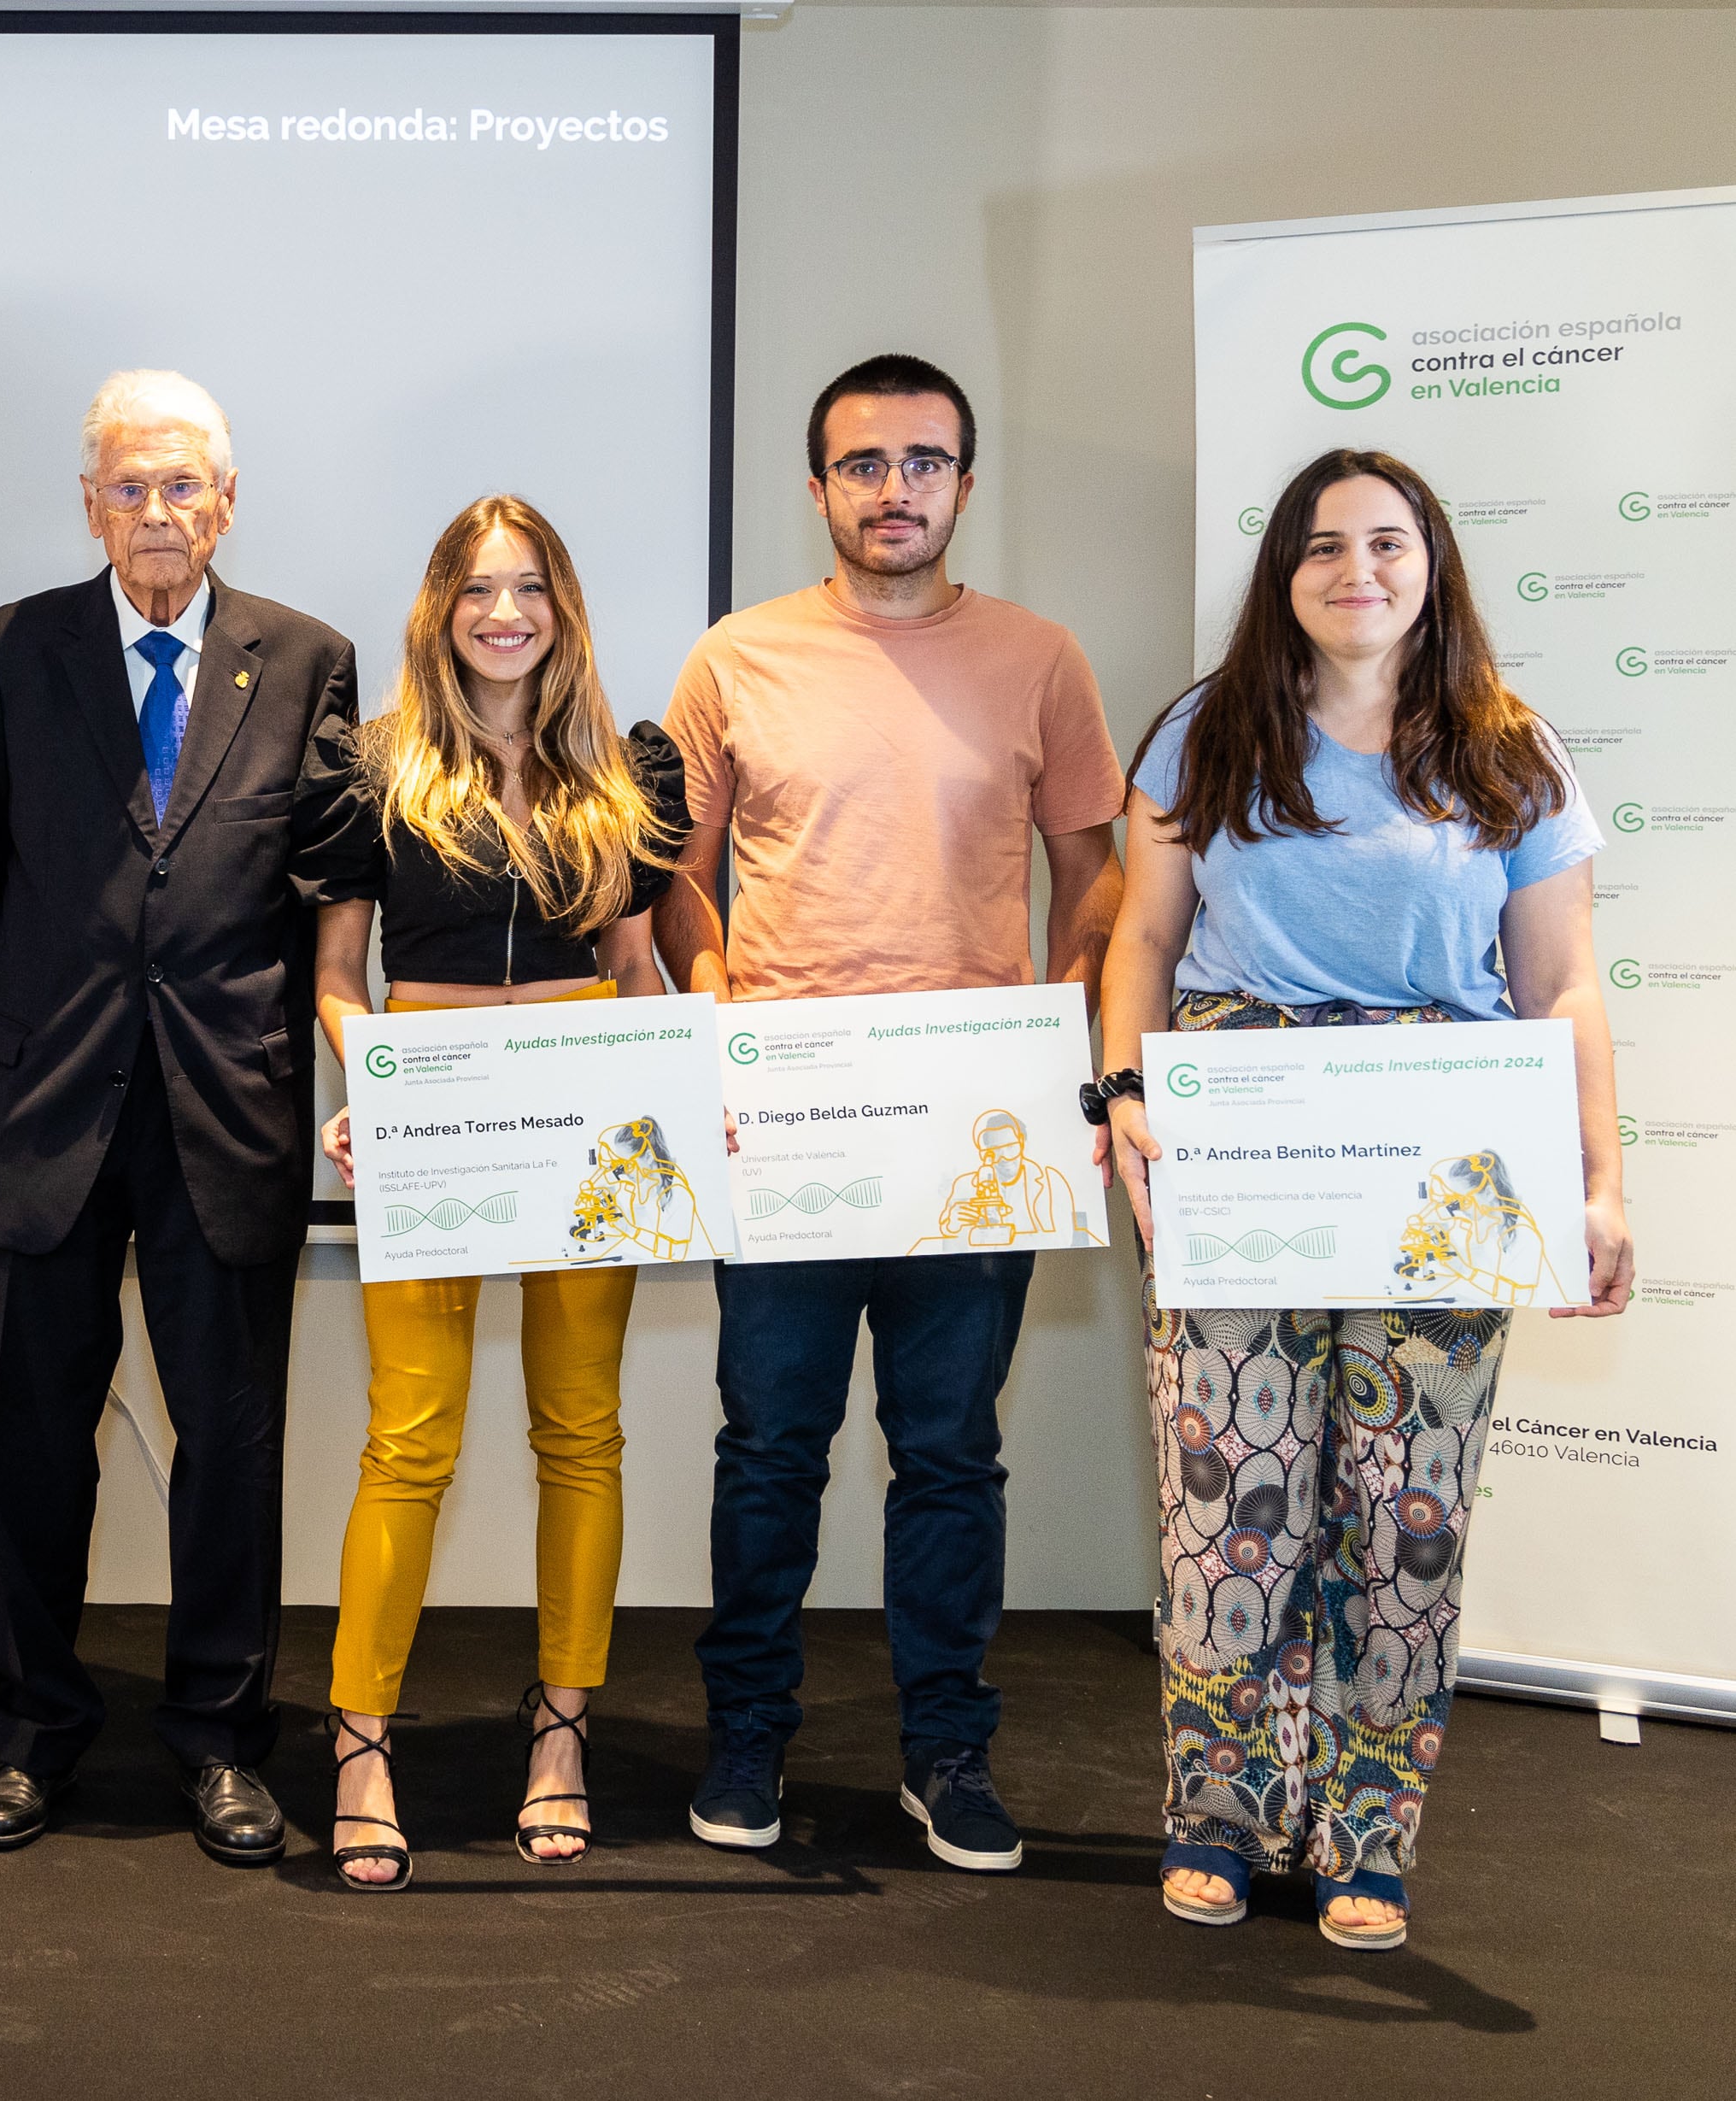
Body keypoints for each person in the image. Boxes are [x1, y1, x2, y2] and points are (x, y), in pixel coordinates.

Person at [1099, 447, 1630, 1951]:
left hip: (1442, 1157)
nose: (1356, 572)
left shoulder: (1508, 753)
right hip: (1239, 1140)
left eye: (1386, 544)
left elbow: (1562, 984)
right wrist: (1123, 1096)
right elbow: (1140, 942)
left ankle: (1365, 1829)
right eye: (1322, 547)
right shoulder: (1203, 735)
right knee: (1229, 1502)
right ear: (1281, 575)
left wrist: (1596, 1182)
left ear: (1431, 566)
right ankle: (1219, 1807)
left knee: (1400, 1510)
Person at [654, 354, 1125, 1874]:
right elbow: (674, 870)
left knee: (949, 1456)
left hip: (970, 1133)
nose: (893, 489)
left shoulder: (1040, 658)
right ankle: (746, 1741)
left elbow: (1096, 873)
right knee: (768, 1449)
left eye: (922, 462)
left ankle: (946, 1751)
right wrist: (712, 991)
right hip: (787, 1124)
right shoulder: (736, 657)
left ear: (963, 485)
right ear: (817, 489)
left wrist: (1058, 1039)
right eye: (862, 464)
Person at [0, 370, 363, 1861]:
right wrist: (75, 1012)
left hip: (227, 1107)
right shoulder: (4, 652)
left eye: (183, 487)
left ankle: (220, 1740)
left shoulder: (307, 658)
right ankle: (34, 1731)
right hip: (51, 1101)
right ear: (89, 504)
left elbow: (320, 888)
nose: (157, 513)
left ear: (226, 502)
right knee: (34, 1441)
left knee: (230, 1442)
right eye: (128, 487)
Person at [306, 496, 683, 1890]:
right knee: (408, 1438)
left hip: (590, 1108)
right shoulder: (372, 768)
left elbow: (637, 970)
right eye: (476, 590)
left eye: (527, 588)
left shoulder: (625, 770)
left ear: (562, 607)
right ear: (439, 610)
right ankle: (359, 1743)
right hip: (440, 1109)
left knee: (582, 1431)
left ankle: (561, 1733)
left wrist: (686, 1094)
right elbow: (338, 979)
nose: (502, 613)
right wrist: (373, 1084)